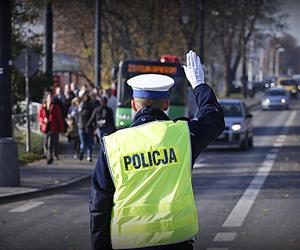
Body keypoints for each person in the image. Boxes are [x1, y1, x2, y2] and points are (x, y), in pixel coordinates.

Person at [89, 51, 225, 250]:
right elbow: (214, 119)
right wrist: (199, 85)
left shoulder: (112, 145)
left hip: (128, 242)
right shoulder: (183, 135)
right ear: (167, 104)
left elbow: (99, 205)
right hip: (176, 241)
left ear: (134, 105)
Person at [38, 90, 64, 164]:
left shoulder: (55, 107)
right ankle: (47, 154)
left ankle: (50, 158)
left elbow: (59, 118)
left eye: (51, 97)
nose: (50, 98)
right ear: (46, 98)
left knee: (50, 143)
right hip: (45, 127)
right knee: (45, 143)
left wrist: (61, 129)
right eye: (49, 97)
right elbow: (39, 116)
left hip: (53, 127)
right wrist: (43, 120)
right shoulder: (42, 107)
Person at [77, 92, 94, 162]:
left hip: (81, 126)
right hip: (88, 126)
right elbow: (92, 117)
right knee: (89, 142)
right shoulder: (91, 107)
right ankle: (89, 156)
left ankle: (82, 151)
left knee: (83, 142)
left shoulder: (80, 106)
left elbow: (78, 115)